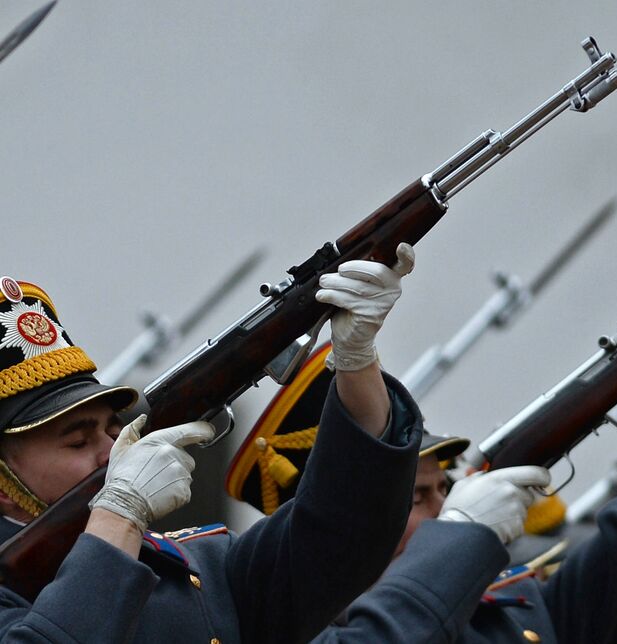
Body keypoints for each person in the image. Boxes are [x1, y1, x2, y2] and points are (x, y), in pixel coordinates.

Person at [232, 250, 617, 644]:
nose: (442, 510)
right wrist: (458, 544)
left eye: (442, 490)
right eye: (414, 498)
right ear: (336, 522)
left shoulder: (511, 618)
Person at [0, 246, 425, 644]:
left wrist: (356, 363)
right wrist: (121, 513)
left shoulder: (201, 567)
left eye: (113, 430)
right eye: (77, 442)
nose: (112, 452)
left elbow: (343, 532)